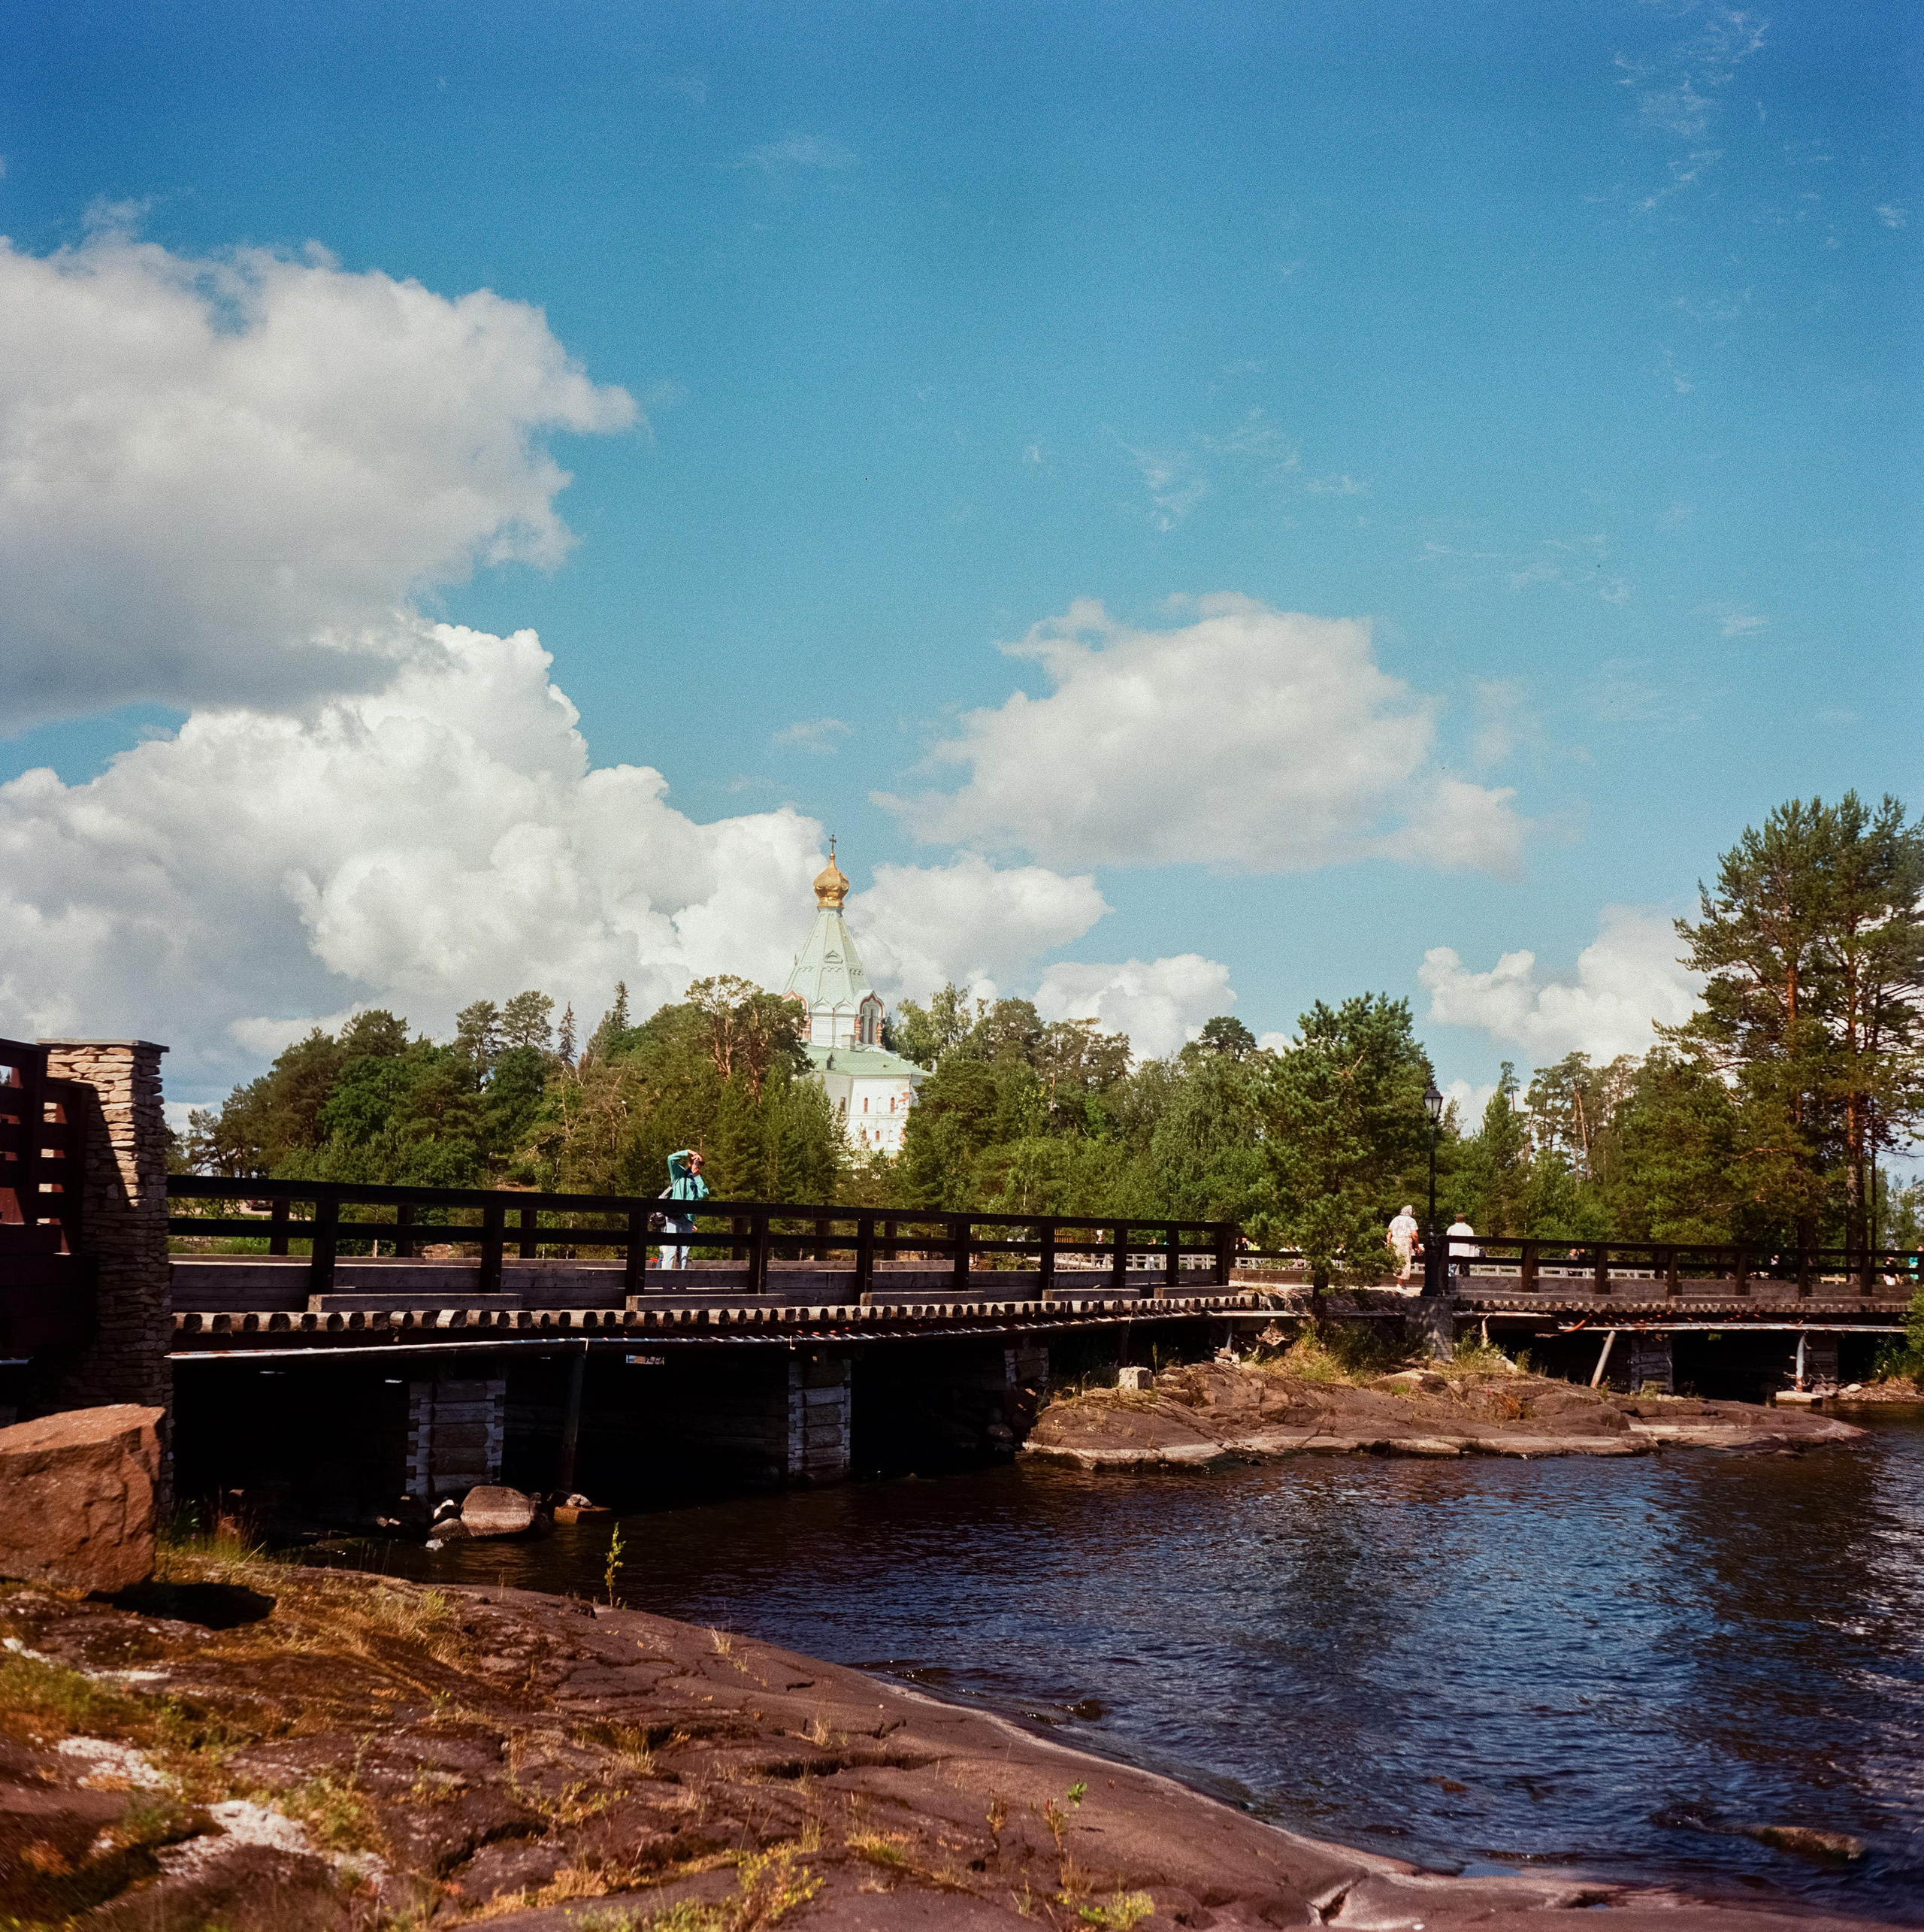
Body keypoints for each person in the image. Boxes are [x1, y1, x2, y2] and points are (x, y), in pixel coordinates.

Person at [659, 1148, 706, 1270]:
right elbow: (670, 1158)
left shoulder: (697, 1179)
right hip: (673, 1216)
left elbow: (703, 1194)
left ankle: (682, 1283)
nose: (698, 1165)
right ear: (689, 1163)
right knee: (671, 1250)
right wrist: (687, 1152)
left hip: (688, 1219)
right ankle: (667, 1283)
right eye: (696, 1161)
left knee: (684, 1252)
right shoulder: (678, 1173)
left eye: (700, 1163)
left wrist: (697, 1177)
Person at [1386, 1204, 1420, 1285]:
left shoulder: (1395, 1219)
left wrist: (1388, 1243)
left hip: (1395, 1240)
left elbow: (1389, 1231)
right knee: (1404, 1261)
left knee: (1397, 1260)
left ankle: (1401, 1282)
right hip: (1405, 1241)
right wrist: (1417, 1246)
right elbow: (1414, 1234)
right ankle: (1400, 1284)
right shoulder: (1411, 1220)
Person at [1446, 1215, 1478, 1279]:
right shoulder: (1468, 1228)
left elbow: (1447, 1238)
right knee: (1466, 1269)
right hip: (1465, 1252)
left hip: (1454, 1252)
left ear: (1456, 1219)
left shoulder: (1452, 1228)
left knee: (1451, 1269)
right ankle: (1466, 1284)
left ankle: (1449, 1283)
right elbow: (1472, 1240)